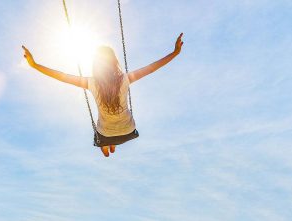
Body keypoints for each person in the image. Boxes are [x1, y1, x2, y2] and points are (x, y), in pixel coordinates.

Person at [22, 33, 184, 157]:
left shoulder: (91, 83)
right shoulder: (125, 79)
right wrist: (175, 52)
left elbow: (61, 75)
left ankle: (109, 145)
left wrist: (34, 65)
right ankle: (112, 143)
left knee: (106, 150)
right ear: (114, 62)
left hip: (105, 134)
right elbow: (153, 67)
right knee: (111, 136)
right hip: (128, 130)